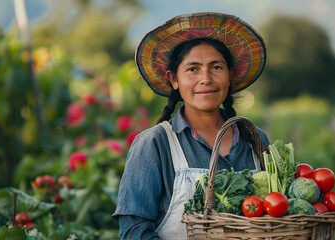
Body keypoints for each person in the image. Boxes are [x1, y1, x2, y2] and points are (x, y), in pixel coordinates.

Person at [113, 12, 270, 239]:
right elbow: (133, 232)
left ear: (230, 75)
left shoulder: (255, 139)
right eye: (192, 69)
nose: (205, 78)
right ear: (173, 79)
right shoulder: (155, 144)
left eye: (216, 67)